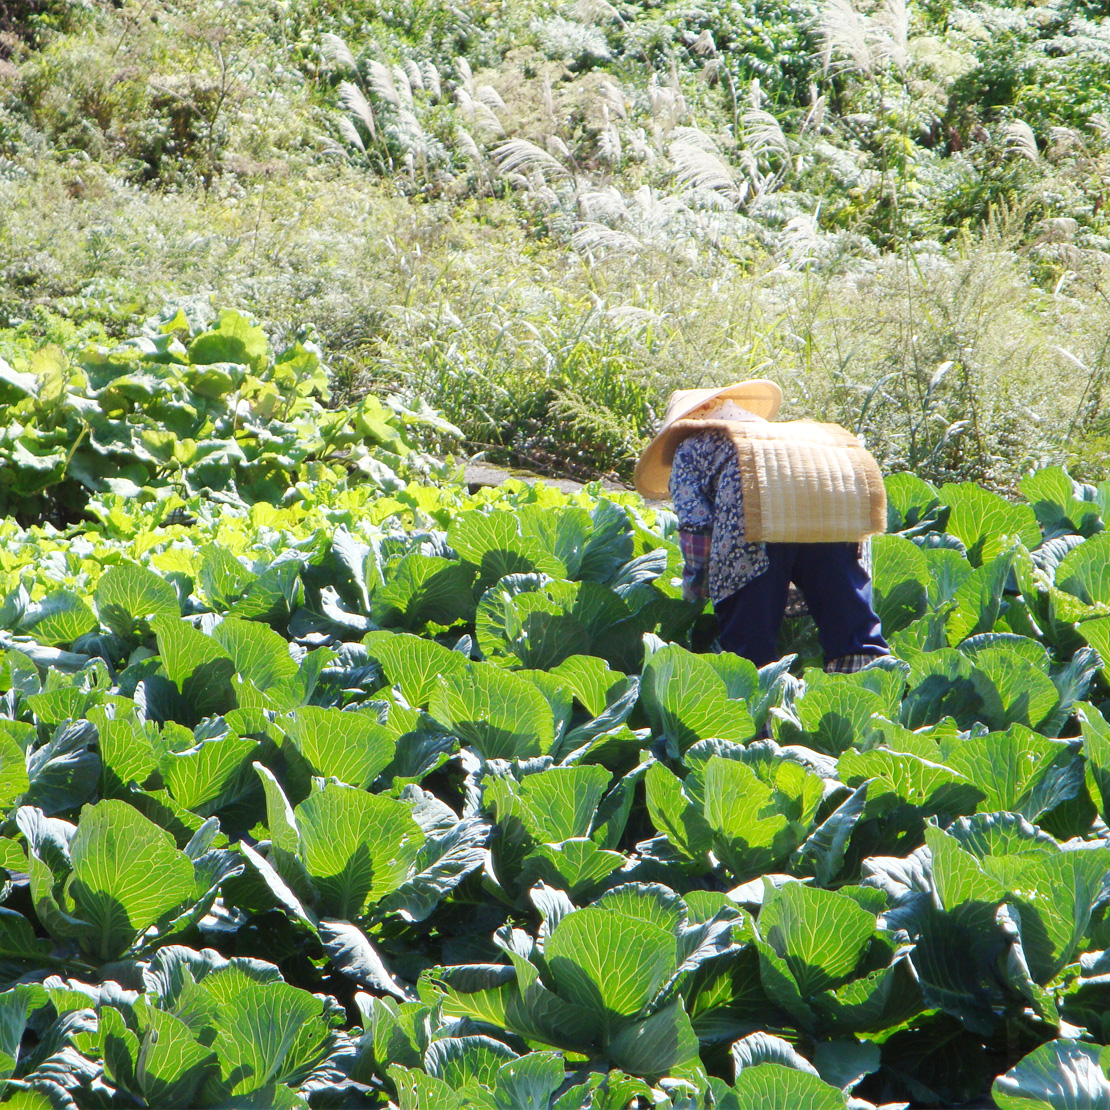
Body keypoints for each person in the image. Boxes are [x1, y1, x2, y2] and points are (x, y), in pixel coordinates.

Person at [633, 379, 890, 673]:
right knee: (851, 626)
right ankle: (869, 701)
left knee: (747, 647)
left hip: (758, 513)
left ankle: (756, 709)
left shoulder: (690, 447)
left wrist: (696, 591)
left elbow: (697, 524)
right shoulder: (781, 437)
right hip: (840, 490)